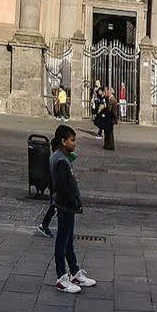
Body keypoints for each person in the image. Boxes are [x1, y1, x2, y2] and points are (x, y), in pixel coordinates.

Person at [49, 126, 96, 295]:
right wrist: (74, 201)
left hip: (65, 205)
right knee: (62, 241)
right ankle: (62, 277)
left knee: (68, 240)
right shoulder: (60, 160)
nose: (74, 144)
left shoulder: (60, 156)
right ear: (63, 141)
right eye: (72, 140)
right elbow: (63, 186)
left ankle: (75, 272)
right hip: (65, 205)